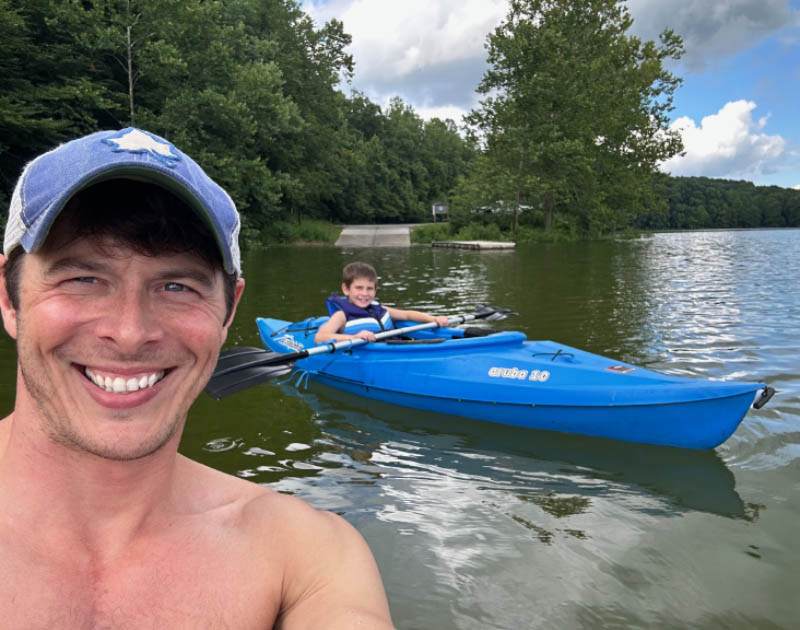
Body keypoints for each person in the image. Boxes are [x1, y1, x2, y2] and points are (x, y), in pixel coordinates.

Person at [0, 128, 394, 628]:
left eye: (176, 285)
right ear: (9, 299)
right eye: (83, 278)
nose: (129, 332)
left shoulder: (307, 558)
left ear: (229, 314)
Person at [315, 261, 450, 344]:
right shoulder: (341, 315)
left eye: (369, 289)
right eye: (359, 288)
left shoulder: (378, 308)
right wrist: (354, 337)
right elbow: (320, 337)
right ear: (346, 289)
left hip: (393, 348)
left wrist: (433, 318)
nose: (364, 294)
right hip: (366, 354)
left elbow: (407, 315)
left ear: (375, 290)